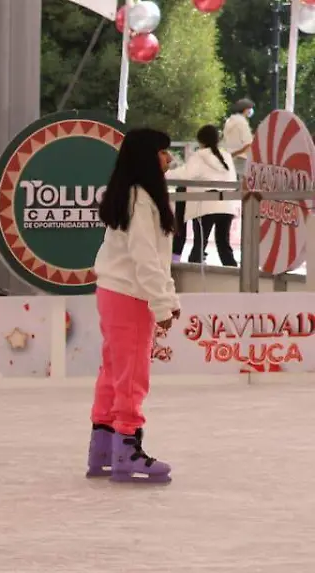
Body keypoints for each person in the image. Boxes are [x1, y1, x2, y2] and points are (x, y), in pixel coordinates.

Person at [88, 128, 177, 484]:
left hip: (114, 291)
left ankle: (103, 446)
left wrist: (166, 296)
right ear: (146, 157)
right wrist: (162, 304)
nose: (168, 158)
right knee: (132, 374)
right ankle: (127, 448)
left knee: (113, 370)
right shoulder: (141, 199)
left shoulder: (129, 194)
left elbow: (153, 257)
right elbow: (146, 258)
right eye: (162, 152)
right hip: (131, 295)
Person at [167, 125, 238, 266]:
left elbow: (185, 174)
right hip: (227, 206)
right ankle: (235, 276)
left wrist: (163, 175)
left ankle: (194, 277)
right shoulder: (227, 156)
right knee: (224, 245)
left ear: (200, 140)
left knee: (199, 245)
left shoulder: (199, 156)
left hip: (205, 206)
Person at [222, 98, 254, 163]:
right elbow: (248, 144)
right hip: (240, 159)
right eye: (249, 108)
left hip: (228, 157)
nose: (250, 111)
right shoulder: (242, 122)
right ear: (245, 109)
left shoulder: (229, 121)